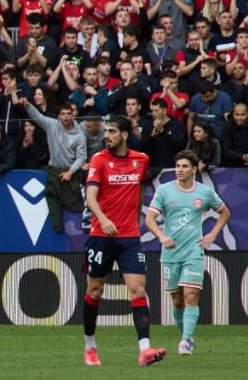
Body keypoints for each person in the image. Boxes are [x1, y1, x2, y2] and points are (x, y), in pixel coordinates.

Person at [82, 116, 166, 367]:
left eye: (112, 131)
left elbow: (139, 191)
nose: (107, 135)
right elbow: (90, 198)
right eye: (106, 131)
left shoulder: (141, 160)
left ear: (125, 135)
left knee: (138, 289)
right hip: (100, 235)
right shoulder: (99, 160)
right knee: (95, 290)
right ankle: (90, 347)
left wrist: (133, 222)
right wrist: (103, 219)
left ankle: (145, 350)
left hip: (129, 236)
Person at [145, 150, 230, 356]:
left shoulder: (205, 192)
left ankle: (184, 342)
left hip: (193, 251)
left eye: (184, 166)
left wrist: (212, 234)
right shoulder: (165, 190)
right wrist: (161, 236)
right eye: (177, 166)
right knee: (177, 300)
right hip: (171, 252)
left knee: (191, 295)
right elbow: (149, 219)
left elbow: (224, 213)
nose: (179, 170)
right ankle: (188, 336)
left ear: (194, 168)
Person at [22, 99, 87, 233]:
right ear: (58, 116)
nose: (66, 116)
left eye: (69, 113)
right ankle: (58, 228)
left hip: (71, 172)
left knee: (74, 203)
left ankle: (79, 231)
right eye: (63, 114)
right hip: (54, 170)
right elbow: (37, 117)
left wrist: (70, 172)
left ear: (73, 115)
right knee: (51, 194)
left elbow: (81, 157)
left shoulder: (80, 135)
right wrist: (28, 105)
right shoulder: (52, 125)